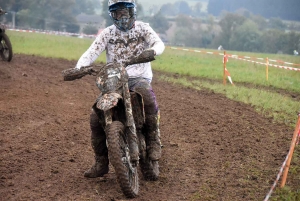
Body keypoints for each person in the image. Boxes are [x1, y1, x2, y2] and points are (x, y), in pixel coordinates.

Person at [75, 0, 165, 178]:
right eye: (117, 13)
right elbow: (91, 52)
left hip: (139, 77)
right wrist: (79, 67)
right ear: (112, 15)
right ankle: (101, 161)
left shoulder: (142, 28)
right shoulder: (108, 33)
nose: (122, 17)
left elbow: (159, 44)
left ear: (133, 11)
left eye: (125, 12)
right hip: (114, 80)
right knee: (96, 116)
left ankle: (153, 139)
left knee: (146, 95)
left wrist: (153, 52)